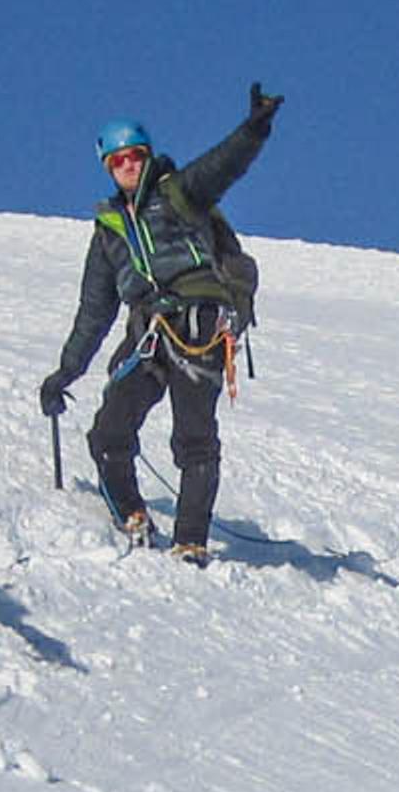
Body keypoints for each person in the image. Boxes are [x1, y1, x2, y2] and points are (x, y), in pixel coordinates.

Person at [38, 88, 280, 564]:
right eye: (117, 160)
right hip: (147, 330)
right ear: (107, 167)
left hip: (198, 324)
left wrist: (255, 128)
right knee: (108, 431)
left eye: (135, 156)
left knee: (193, 436)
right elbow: (94, 312)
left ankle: (190, 541)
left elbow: (223, 164)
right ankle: (132, 514)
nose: (127, 165)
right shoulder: (109, 230)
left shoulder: (179, 194)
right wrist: (64, 374)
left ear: (147, 157)